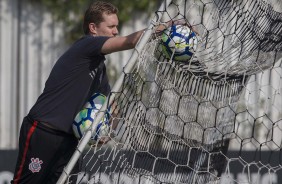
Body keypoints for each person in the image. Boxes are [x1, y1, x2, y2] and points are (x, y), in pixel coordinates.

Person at [11, 1, 169, 183]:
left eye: (116, 26)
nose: (115, 31)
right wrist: (167, 26)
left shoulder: (99, 67)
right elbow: (131, 41)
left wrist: (108, 131)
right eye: (111, 26)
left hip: (69, 140)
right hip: (44, 132)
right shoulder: (86, 46)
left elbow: (111, 104)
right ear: (93, 28)